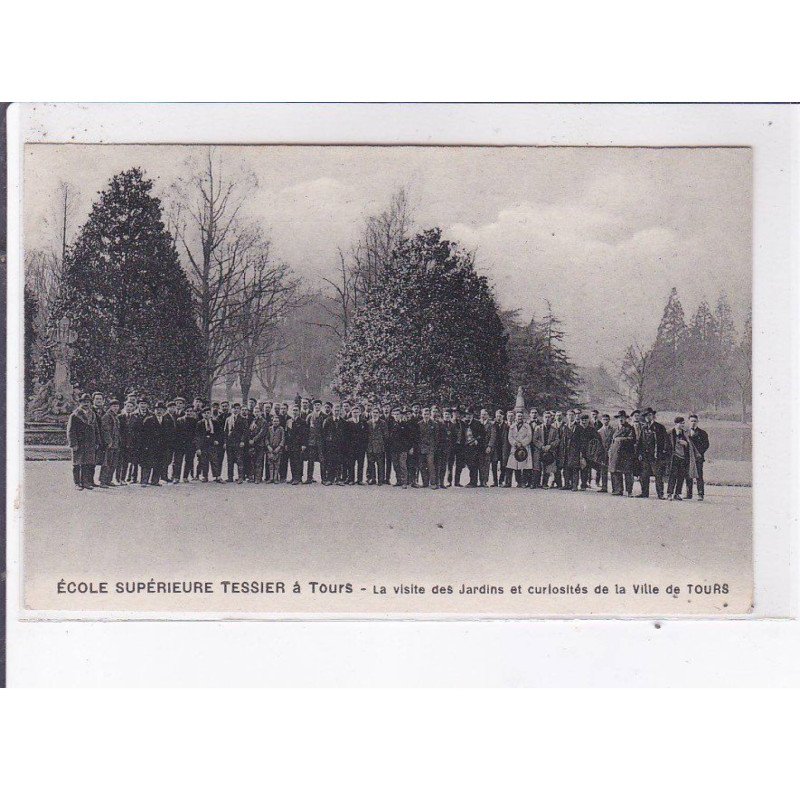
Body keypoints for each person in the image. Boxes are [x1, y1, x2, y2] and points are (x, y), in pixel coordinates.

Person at [66, 393, 98, 490]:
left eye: (88, 402)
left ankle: (85, 482)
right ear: (80, 403)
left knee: (87, 463)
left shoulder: (92, 415)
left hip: (90, 443)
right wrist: (73, 443)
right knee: (77, 463)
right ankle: (77, 483)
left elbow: (96, 430)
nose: (86, 404)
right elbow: (70, 430)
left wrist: (97, 442)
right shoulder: (75, 415)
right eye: (84, 402)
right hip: (79, 443)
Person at [637, 407, 666, 499]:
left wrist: (661, 453)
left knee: (658, 475)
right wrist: (640, 453)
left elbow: (664, 442)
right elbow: (640, 442)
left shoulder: (659, 427)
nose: (648, 417)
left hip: (656, 455)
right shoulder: (644, 427)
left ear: (653, 416)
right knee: (644, 475)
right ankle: (644, 493)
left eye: (649, 415)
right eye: (646, 416)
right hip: (645, 455)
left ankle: (660, 494)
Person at [140, 401, 169, 486]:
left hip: (161, 446)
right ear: (154, 410)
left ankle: (155, 480)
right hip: (150, 446)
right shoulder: (149, 420)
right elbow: (143, 434)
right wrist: (145, 446)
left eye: (161, 410)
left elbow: (167, 434)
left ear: (164, 411)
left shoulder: (166, 420)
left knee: (159, 463)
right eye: (157, 410)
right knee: (147, 464)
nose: (159, 411)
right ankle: (144, 481)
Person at [609, 410, 637, 497]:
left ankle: (629, 491)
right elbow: (612, 441)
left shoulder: (629, 428)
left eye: (622, 418)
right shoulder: (616, 428)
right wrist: (610, 450)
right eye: (619, 418)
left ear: (625, 419)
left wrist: (621, 439)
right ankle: (618, 490)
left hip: (626, 454)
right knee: (616, 472)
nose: (621, 419)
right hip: (615, 454)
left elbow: (632, 439)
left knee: (627, 473)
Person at [685, 414, 710, 500]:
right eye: (691, 421)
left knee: (699, 476)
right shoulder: (685, 432)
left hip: (698, 458)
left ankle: (700, 494)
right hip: (688, 458)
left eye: (695, 421)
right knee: (688, 476)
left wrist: (698, 453)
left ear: (698, 422)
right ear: (688, 422)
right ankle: (689, 494)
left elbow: (706, 445)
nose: (693, 423)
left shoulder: (703, 433)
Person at [666, 416, 691, 500]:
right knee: (672, 476)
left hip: (683, 457)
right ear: (676, 423)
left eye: (683, 423)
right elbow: (666, 445)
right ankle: (669, 493)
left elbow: (690, 445)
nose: (683, 425)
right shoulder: (669, 433)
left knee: (681, 476)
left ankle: (677, 493)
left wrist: (686, 444)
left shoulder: (685, 433)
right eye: (681, 423)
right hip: (673, 457)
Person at [506, 410, 532, 488]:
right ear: (516, 417)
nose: (519, 418)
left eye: (521, 416)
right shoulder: (512, 426)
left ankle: (524, 482)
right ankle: (518, 482)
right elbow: (510, 437)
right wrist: (515, 443)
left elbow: (529, 436)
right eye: (518, 416)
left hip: (524, 448)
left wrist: (522, 444)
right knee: (515, 465)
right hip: (515, 447)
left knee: (524, 466)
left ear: (523, 417)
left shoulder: (527, 426)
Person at [99, 398, 122, 487]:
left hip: (116, 443)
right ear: (110, 407)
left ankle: (109, 480)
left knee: (113, 463)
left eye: (117, 406)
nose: (116, 408)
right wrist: (109, 442)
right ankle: (103, 481)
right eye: (114, 406)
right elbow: (105, 430)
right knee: (106, 463)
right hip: (110, 444)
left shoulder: (115, 416)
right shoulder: (107, 416)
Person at [224, 403, 248, 484]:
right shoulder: (228, 419)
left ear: (240, 410)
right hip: (229, 443)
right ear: (232, 409)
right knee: (230, 460)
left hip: (238, 443)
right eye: (234, 408)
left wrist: (242, 441)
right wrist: (225, 442)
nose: (236, 410)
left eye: (237, 408)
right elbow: (226, 431)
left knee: (239, 460)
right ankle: (230, 477)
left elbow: (245, 432)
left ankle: (240, 477)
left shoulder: (243, 419)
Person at [321, 404, 344, 485]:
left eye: (338, 411)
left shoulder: (343, 421)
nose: (336, 412)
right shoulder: (327, 420)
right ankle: (329, 479)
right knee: (330, 462)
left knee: (339, 462)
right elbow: (323, 434)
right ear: (332, 411)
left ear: (340, 412)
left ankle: (338, 479)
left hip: (339, 445)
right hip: (329, 445)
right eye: (335, 410)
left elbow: (345, 434)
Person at [285, 405, 309, 485]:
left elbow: (305, 434)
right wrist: (287, 444)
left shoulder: (302, 421)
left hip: (299, 444)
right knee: (292, 461)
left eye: (296, 410)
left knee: (298, 461)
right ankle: (293, 477)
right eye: (293, 410)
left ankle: (298, 478)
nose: (294, 412)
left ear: (299, 412)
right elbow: (287, 433)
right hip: (291, 444)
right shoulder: (289, 421)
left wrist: (304, 444)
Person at [560, 410, 582, 491]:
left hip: (575, 451)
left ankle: (574, 485)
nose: (570, 416)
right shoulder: (564, 426)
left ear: (575, 416)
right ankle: (566, 484)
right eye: (569, 415)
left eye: (572, 415)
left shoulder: (579, 427)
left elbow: (581, 440)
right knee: (566, 468)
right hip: (565, 450)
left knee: (575, 468)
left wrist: (580, 451)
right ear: (566, 416)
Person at [462, 408, 484, 487]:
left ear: (472, 415)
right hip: (466, 446)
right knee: (469, 464)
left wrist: (476, 441)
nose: (468, 416)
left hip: (475, 446)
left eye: (470, 415)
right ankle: (472, 481)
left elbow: (482, 434)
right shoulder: (464, 423)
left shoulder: (477, 423)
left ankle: (473, 482)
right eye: (467, 415)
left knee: (474, 464)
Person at [417, 407, 439, 488]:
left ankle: (433, 483)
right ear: (422, 415)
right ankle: (425, 482)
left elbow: (436, 438)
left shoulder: (434, 424)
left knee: (430, 465)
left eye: (427, 414)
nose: (426, 416)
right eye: (424, 414)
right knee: (422, 466)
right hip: (422, 448)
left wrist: (434, 447)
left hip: (430, 448)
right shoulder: (419, 424)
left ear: (430, 415)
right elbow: (418, 437)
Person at [194, 406, 218, 482]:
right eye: (205, 413)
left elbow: (219, 433)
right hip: (203, 445)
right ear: (202, 414)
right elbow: (197, 436)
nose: (207, 414)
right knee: (204, 461)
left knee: (214, 460)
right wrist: (198, 448)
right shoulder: (199, 423)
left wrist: (216, 440)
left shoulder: (215, 422)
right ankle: (205, 476)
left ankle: (217, 476)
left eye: (208, 413)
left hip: (212, 444)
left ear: (211, 414)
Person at [389, 407, 411, 487]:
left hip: (403, 448)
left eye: (398, 414)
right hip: (394, 448)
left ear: (401, 415)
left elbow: (409, 437)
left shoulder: (405, 424)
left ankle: (404, 482)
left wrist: (408, 447)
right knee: (395, 465)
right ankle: (398, 480)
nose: (396, 416)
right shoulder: (391, 424)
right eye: (394, 414)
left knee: (402, 465)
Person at [366, 407, 388, 485]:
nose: (375, 414)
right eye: (373, 412)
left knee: (380, 464)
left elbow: (386, 435)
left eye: (376, 413)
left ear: (379, 414)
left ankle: (380, 480)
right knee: (371, 464)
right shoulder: (368, 423)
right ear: (371, 413)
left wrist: (382, 444)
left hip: (379, 447)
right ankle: (373, 478)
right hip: (370, 447)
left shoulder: (383, 423)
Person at [248, 407, 269, 483]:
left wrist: (253, 440)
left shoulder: (264, 421)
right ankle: (252, 477)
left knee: (259, 461)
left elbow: (262, 433)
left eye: (258, 412)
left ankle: (258, 478)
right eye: (255, 412)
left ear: (261, 412)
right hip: (253, 445)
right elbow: (250, 431)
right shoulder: (253, 421)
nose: (256, 413)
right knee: (252, 461)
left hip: (260, 444)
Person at [596, 413, 614, 492]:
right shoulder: (599, 431)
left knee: (613, 470)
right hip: (603, 453)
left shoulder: (613, 430)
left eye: (607, 419)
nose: (605, 421)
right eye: (604, 419)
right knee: (603, 470)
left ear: (609, 420)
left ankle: (615, 488)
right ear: (601, 420)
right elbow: (598, 443)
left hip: (611, 453)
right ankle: (604, 487)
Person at [266, 413, 286, 483]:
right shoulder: (269, 428)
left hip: (278, 449)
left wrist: (279, 447)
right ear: (272, 421)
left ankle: (275, 478)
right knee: (270, 464)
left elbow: (283, 439)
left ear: (279, 422)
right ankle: (271, 478)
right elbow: (266, 438)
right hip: (270, 449)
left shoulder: (281, 429)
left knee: (277, 464)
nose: (275, 422)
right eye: (274, 421)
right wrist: (268, 446)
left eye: (277, 421)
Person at [479, 409, 496, 488]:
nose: (483, 416)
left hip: (487, 447)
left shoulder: (491, 424)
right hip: (479, 447)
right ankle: (480, 481)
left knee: (486, 465)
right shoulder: (478, 423)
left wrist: (489, 446)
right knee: (479, 465)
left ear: (488, 416)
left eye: (485, 414)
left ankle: (484, 481)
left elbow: (493, 436)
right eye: (482, 414)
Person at [491, 410, 507, 487]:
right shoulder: (493, 425)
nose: (498, 418)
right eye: (497, 416)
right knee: (494, 465)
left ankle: (501, 480)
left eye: (500, 416)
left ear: (503, 417)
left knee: (503, 466)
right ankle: (495, 481)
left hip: (503, 448)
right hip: (495, 448)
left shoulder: (506, 426)